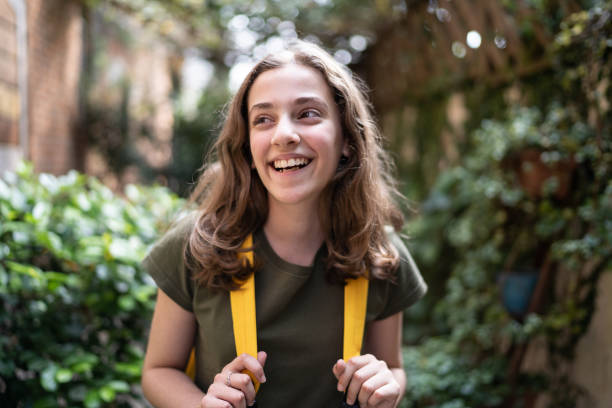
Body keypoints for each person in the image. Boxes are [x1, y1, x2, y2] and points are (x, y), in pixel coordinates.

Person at [141, 39, 427, 408]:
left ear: (347, 141)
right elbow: (159, 370)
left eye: (308, 113)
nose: (283, 135)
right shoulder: (195, 244)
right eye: (263, 119)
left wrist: (388, 385)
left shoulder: (381, 254)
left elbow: (394, 368)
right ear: (247, 144)